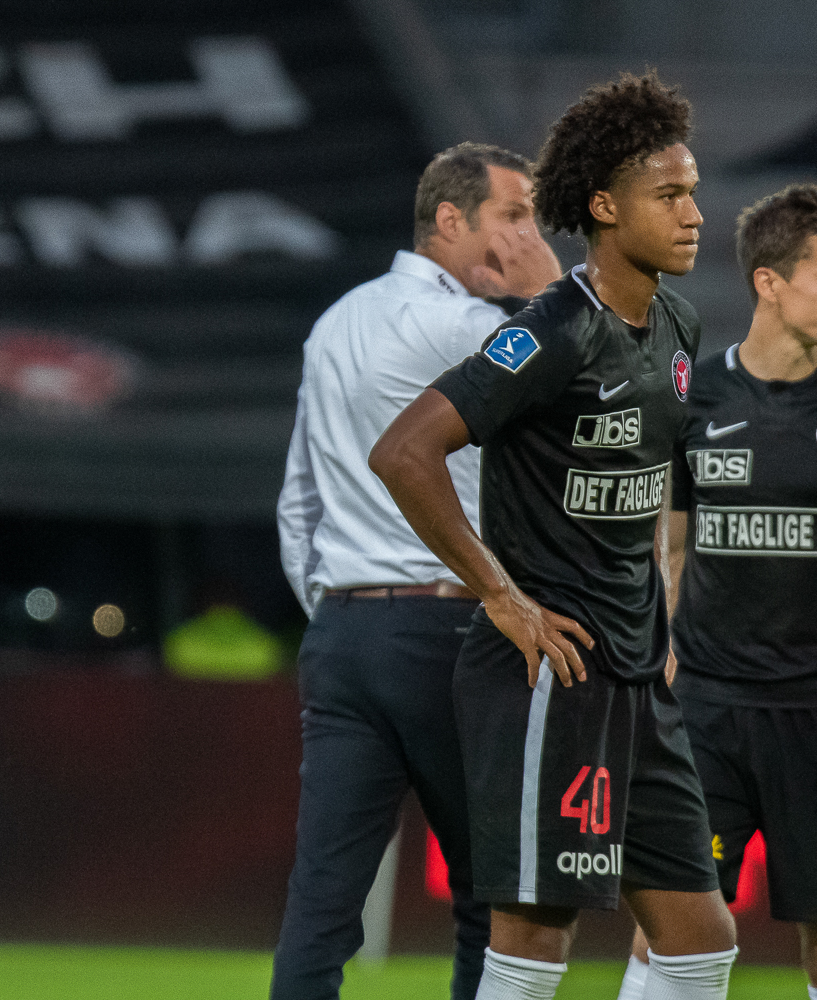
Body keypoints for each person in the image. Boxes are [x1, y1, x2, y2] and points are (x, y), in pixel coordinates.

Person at [370, 72, 738, 1000]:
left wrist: (660, 610)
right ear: (605, 206)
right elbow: (405, 452)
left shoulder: (679, 326)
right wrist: (501, 596)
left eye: (693, 191)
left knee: (700, 939)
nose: (695, 214)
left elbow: (653, 486)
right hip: (550, 672)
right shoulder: (551, 333)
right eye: (670, 195)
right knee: (536, 937)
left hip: (636, 677)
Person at [619, 184, 817, 1000]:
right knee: (670, 931)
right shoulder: (694, 397)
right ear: (769, 281)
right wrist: (654, 653)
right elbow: (666, 545)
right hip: (705, 711)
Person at [272, 141, 563, 1000]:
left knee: (321, 905)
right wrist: (551, 290)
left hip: (344, 633)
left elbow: (298, 502)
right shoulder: (470, 329)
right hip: (452, 629)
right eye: (512, 215)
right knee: (490, 898)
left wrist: (338, 608)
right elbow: (593, 365)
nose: (526, 236)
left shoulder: (335, 322)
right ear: (448, 219)